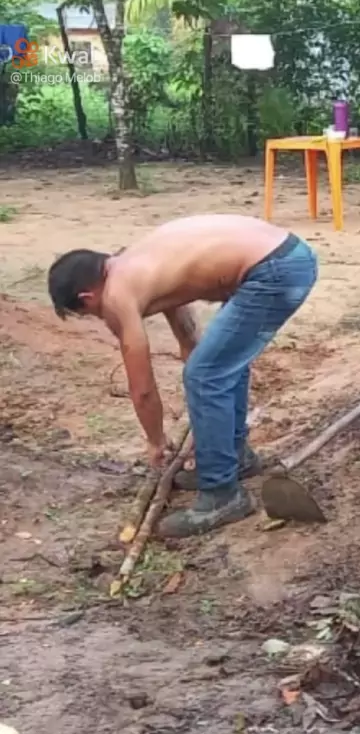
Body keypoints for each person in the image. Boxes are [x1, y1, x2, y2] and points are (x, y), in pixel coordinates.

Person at [47, 214, 318, 537]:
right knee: (216, 367)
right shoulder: (142, 265)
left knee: (206, 374)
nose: (101, 318)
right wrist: (209, 431)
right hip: (284, 256)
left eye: (90, 314)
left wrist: (155, 441)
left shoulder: (117, 296)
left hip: (275, 269)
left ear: (86, 297)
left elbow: (142, 388)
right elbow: (189, 339)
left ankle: (221, 496)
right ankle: (232, 458)